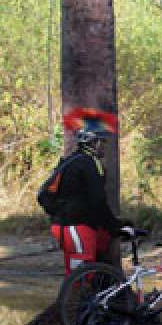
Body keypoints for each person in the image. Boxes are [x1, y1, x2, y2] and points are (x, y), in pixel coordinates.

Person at [50, 108, 123, 274]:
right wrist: (114, 225)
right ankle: (73, 299)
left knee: (79, 273)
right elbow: (98, 201)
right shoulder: (90, 164)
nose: (104, 147)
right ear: (92, 142)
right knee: (81, 277)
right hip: (75, 227)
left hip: (66, 225)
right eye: (102, 142)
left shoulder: (72, 161)